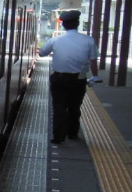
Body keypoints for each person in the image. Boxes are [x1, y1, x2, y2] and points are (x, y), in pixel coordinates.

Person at [39, 10, 100, 144]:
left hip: (59, 79)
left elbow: (42, 53)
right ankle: (72, 133)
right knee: (74, 107)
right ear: (77, 24)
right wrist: (95, 76)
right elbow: (93, 60)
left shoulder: (56, 40)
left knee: (59, 106)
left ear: (64, 25)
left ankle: (58, 136)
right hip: (78, 80)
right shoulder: (89, 41)